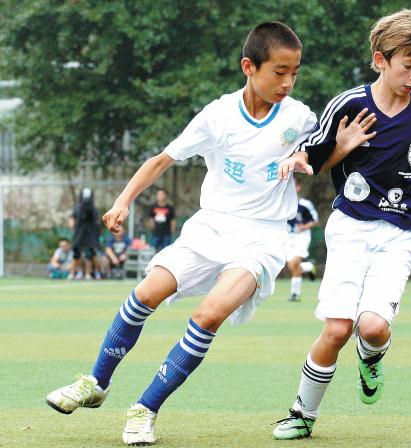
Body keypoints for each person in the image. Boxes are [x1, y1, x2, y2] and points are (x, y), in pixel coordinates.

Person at [46, 21, 316, 446]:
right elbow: (162, 159)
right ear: (249, 66)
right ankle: (96, 383)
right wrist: (122, 201)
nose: (288, 82)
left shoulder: (300, 117)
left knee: (208, 316)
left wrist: (307, 155)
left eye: (294, 72)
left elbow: (318, 148)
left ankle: (145, 409)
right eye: (279, 72)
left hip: (262, 238)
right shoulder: (218, 114)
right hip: (210, 226)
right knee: (144, 295)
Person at [273, 9, 411, 439]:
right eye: (407, 65)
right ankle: (302, 413)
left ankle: (372, 357)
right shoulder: (348, 104)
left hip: (403, 229)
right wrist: (297, 158)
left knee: (372, 327)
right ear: (380, 59)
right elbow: (313, 156)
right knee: (338, 327)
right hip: (351, 223)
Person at [286, 178, 319, 301]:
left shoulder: (305, 204)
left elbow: (315, 220)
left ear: (298, 188)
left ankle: (295, 294)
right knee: (292, 266)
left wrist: (304, 226)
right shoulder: (282, 204)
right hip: (288, 238)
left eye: (293, 186)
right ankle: (309, 267)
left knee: (295, 263)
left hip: (302, 236)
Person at [68, 188, 101, 280]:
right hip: (79, 233)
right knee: (76, 253)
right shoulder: (77, 209)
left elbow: (96, 222)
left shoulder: (93, 210)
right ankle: (72, 273)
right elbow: (72, 220)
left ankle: (87, 274)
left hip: (90, 234)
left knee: (89, 254)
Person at [148, 188, 176, 252]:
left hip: (166, 233)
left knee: (166, 250)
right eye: (159, 194)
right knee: (152, 249)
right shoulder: (153, 207)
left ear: (165, 196)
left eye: (162, 194)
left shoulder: (170, 208)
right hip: (156, 233)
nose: (160, 196)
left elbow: (173, 220)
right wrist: (152, 227)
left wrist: (172, 230)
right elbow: (151, 218)